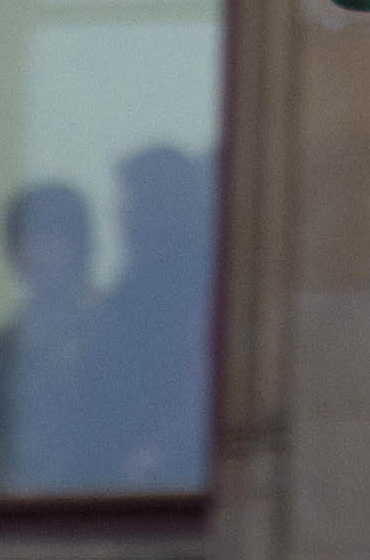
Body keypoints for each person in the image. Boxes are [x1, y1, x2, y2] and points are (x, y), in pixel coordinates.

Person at [94, 146, 215, 490]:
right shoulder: (128, 294)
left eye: (131, 204)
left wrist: (156, 454)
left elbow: (195, 384)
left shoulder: (184, 287)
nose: (121, 218)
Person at [0, 181, 106, 490]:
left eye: (50, 240)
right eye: (25, 243)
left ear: (78, 246)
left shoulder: (114, 330)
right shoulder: (3, 348)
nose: (36, 254)